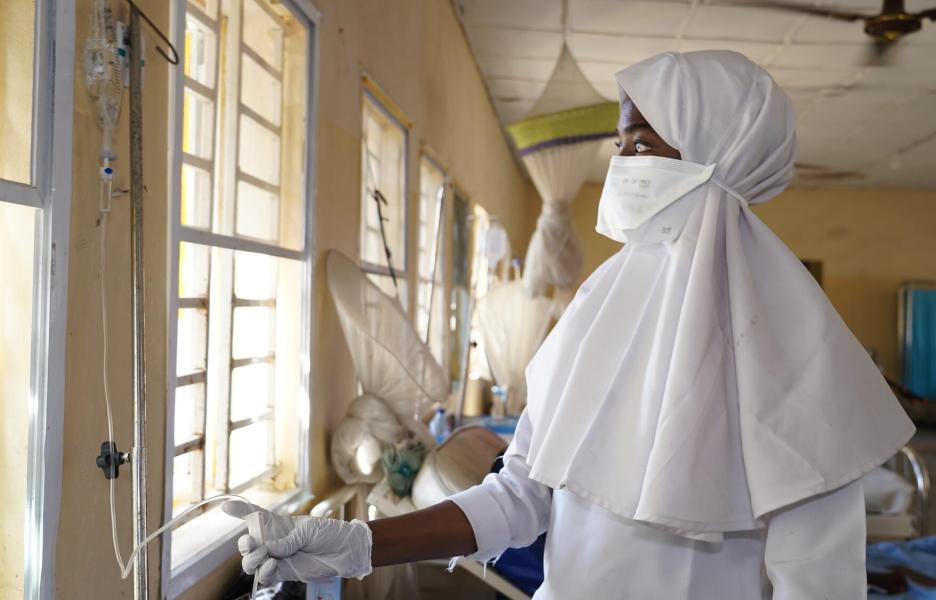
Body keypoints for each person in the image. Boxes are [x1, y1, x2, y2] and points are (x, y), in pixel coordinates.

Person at [226, 50, 915, 599]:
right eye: (619, 145)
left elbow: (817, 583)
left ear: (718, 156)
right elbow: (523, 494)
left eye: (640, 146)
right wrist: (359, 547)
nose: (619, 167)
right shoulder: (597, 308)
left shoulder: (800, 358)